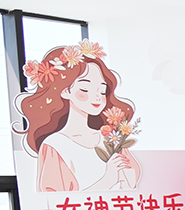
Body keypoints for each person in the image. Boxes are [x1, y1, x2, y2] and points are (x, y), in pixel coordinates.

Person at [16, 40, 142, 191]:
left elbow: (133, 187)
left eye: (102, 91)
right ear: (65, 91)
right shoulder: (55, 145)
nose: (96, 97)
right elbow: (56, 200)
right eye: (85, 89)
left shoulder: (111, 139)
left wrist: (126, 181)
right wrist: (108, 180)